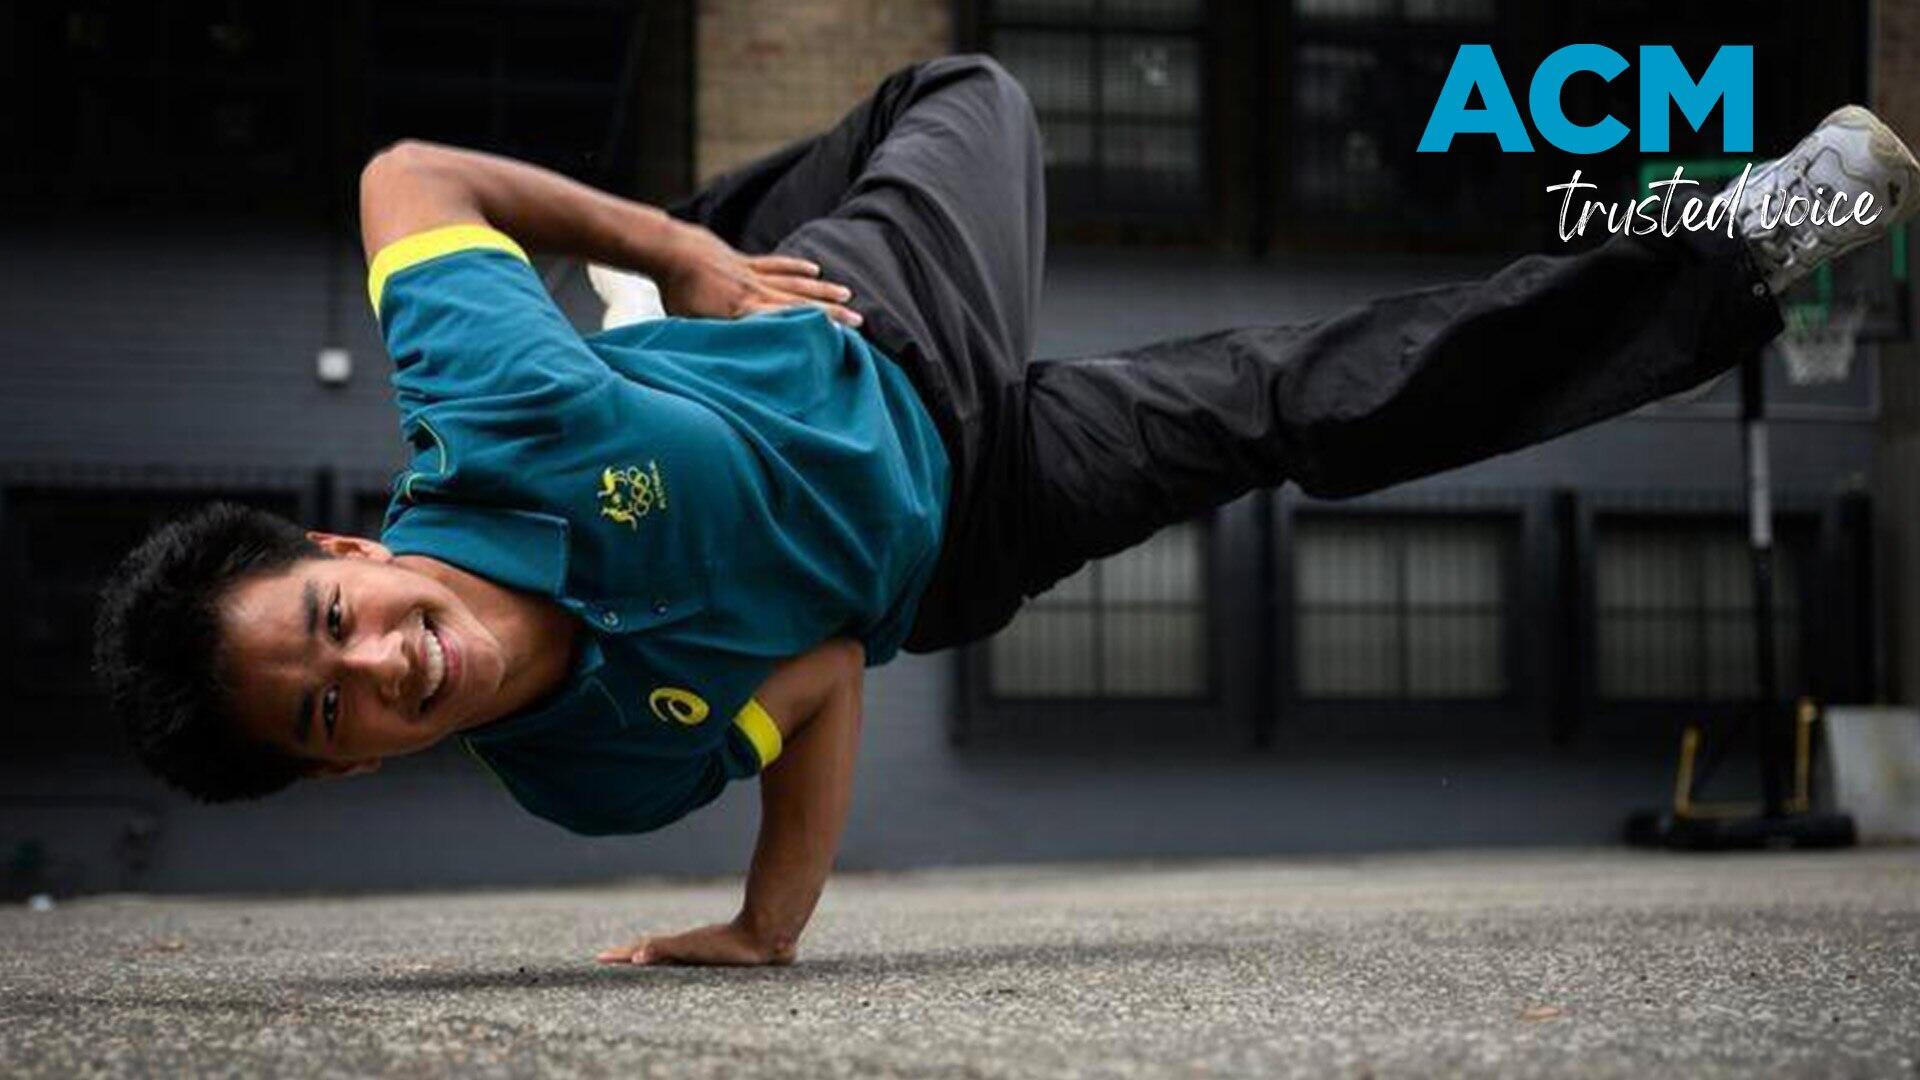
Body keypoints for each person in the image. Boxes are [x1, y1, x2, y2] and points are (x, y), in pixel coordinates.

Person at [93, 55, 1918, 965]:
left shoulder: (489, 405)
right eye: (326, 715)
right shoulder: (588, 778)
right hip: (978, 530)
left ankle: (699, 254)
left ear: (349, 555)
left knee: (965, 90)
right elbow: (819, 682)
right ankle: (1744, 253)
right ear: (344, 768)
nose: (380, 668)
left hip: (879, 324)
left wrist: (679, 250)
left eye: (333, 624)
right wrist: (770, 924)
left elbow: (406, 168)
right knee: (1296, 402)